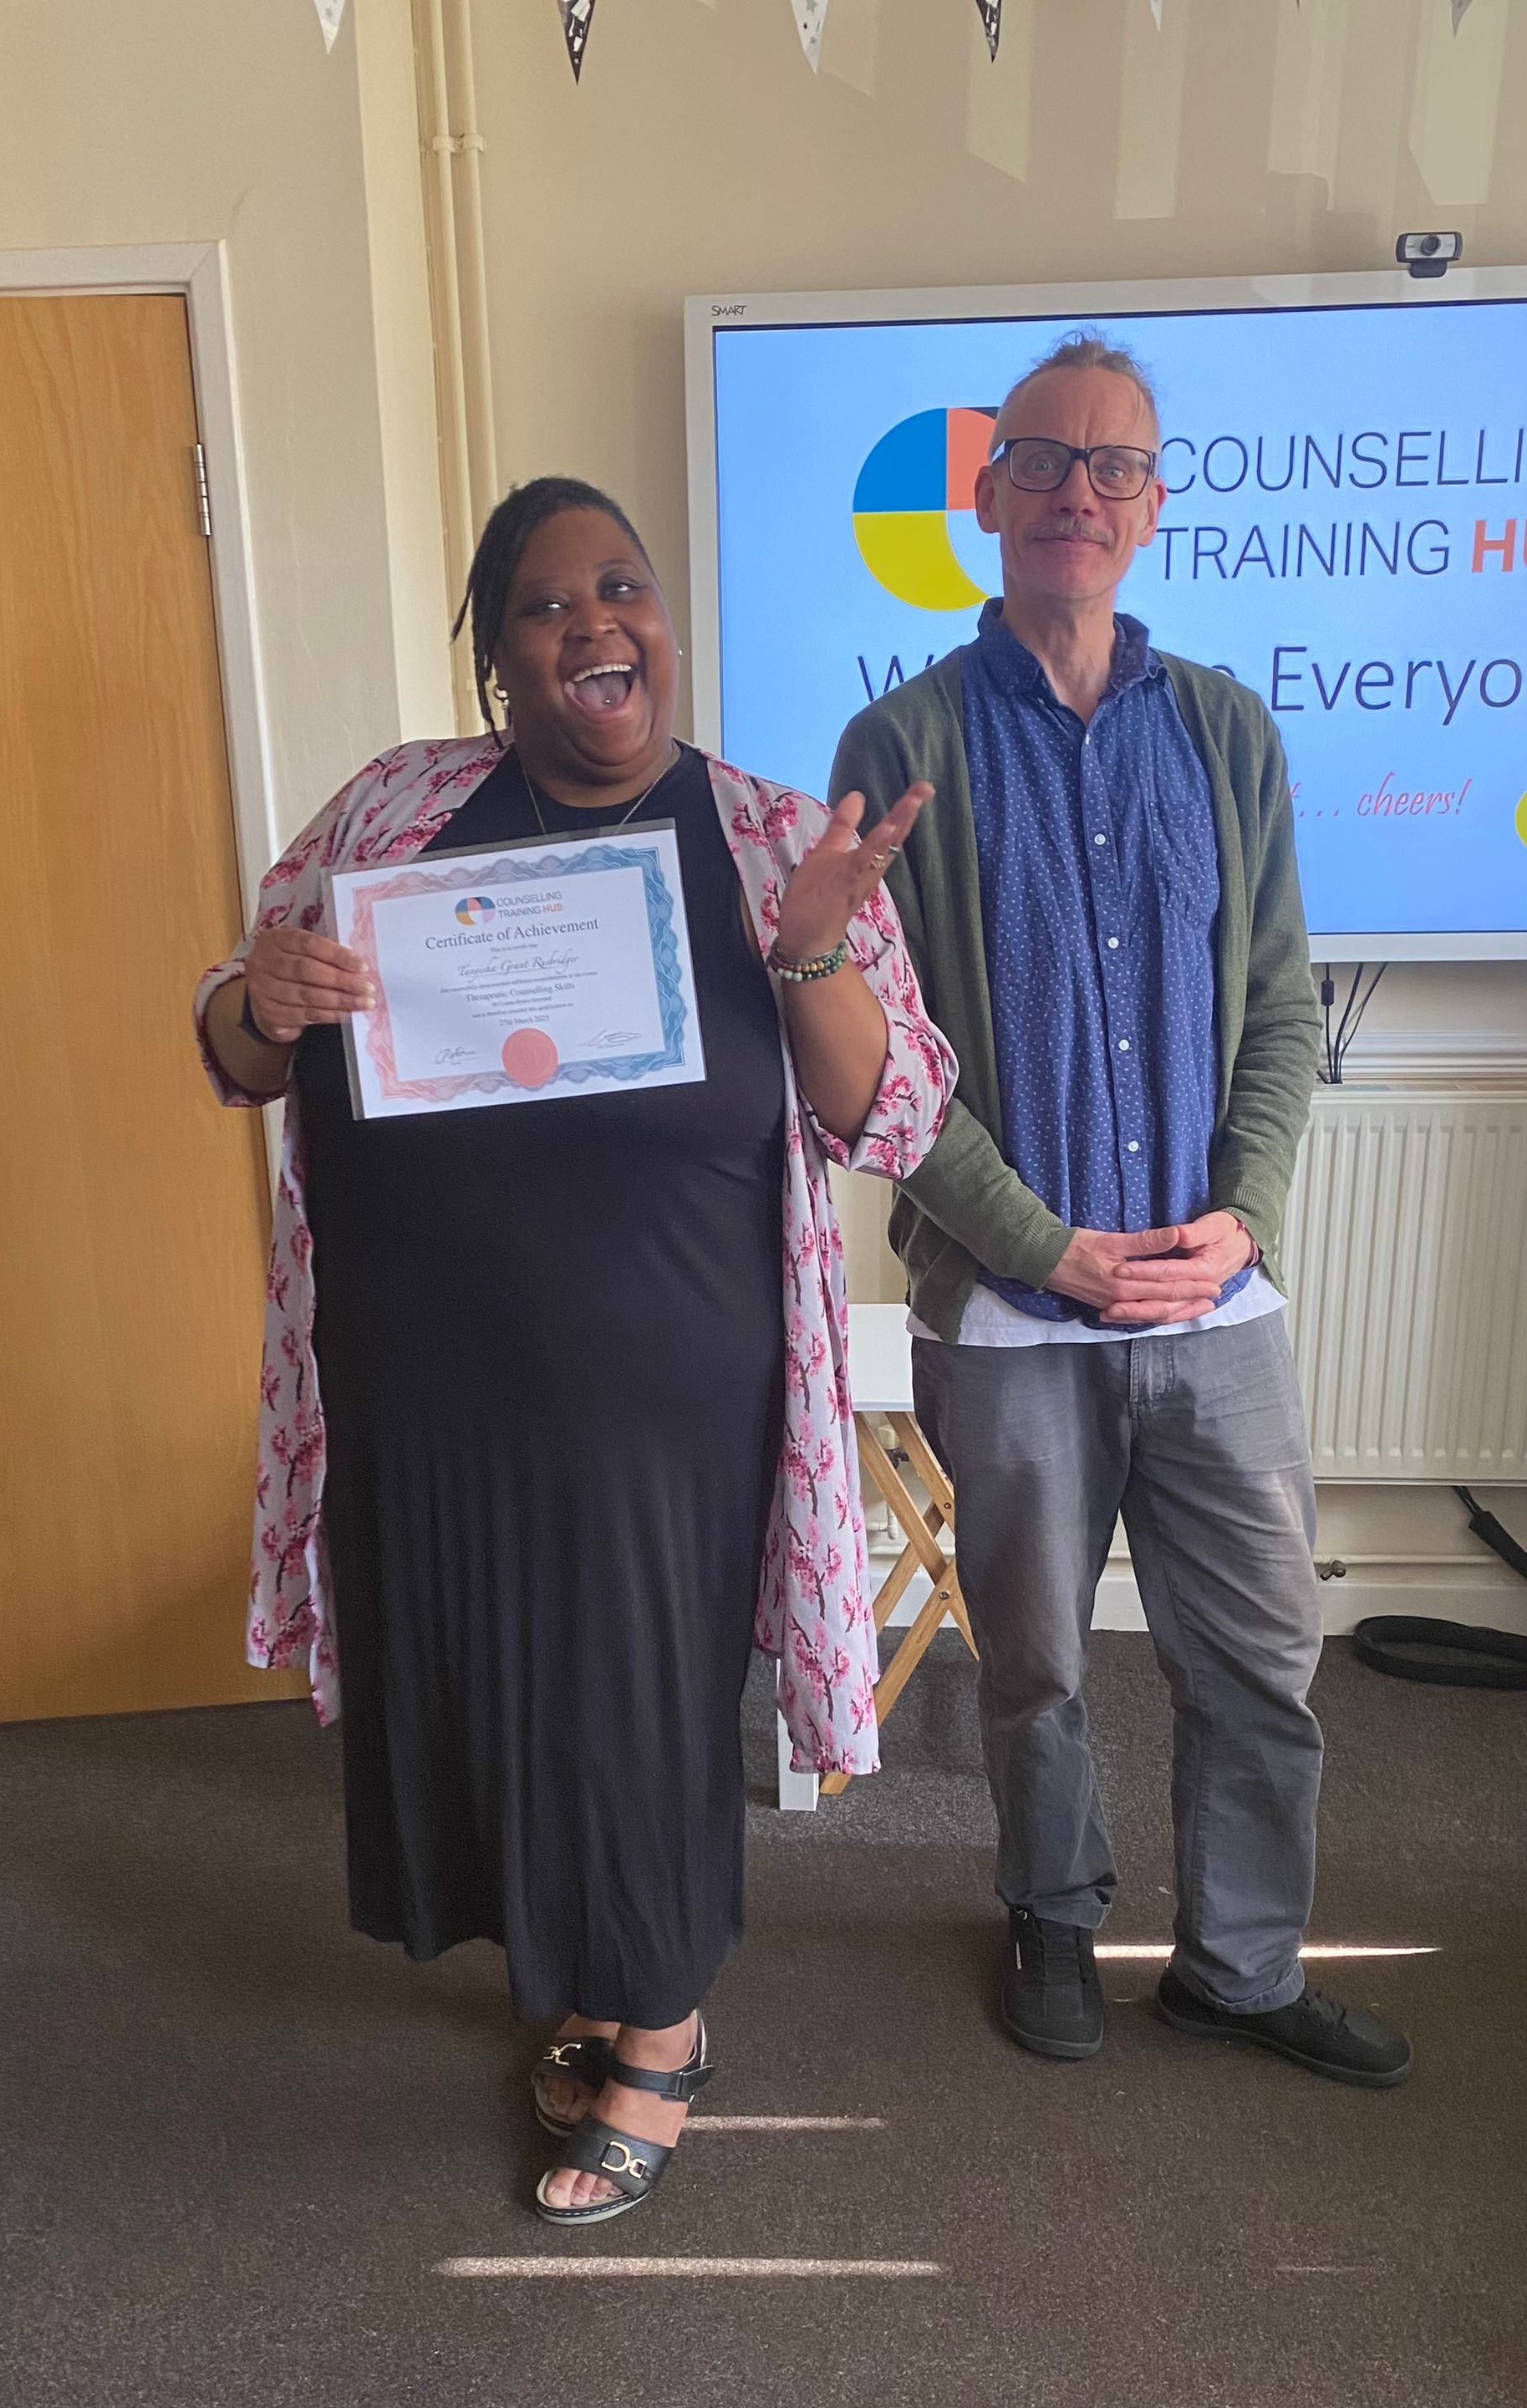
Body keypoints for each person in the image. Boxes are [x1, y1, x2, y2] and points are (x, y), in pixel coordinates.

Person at [195, 476, 952, 2222]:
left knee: (638, 1706)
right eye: (548, 605)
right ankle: (584, 1977)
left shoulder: (771, 835)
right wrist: (261, 998)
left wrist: (820, 944)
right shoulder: (398, 808)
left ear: (664, 625)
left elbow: (892, 1114)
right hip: (419, 1383)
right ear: (496, 657)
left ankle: (663, 2032)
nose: (597, 625)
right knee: (479, 1685)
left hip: (656, 1394)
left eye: (625, 590)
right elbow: (240, 1037)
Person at [832, 334, 1411, 2090]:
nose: (1078, 493)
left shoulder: (1227, 729)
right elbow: (880, 1054)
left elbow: (1288, 1009)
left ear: (1152, 508)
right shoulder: (904, 735)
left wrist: (1242, 1213)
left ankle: (1238, 1967)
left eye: (1115, 469)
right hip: (1016, 1320)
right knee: (1033, 1665)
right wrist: (1049, 1247)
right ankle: (1054, 1916)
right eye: (1046, 461)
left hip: (1216, 1311)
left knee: (1262, 1658)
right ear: (989, 491)